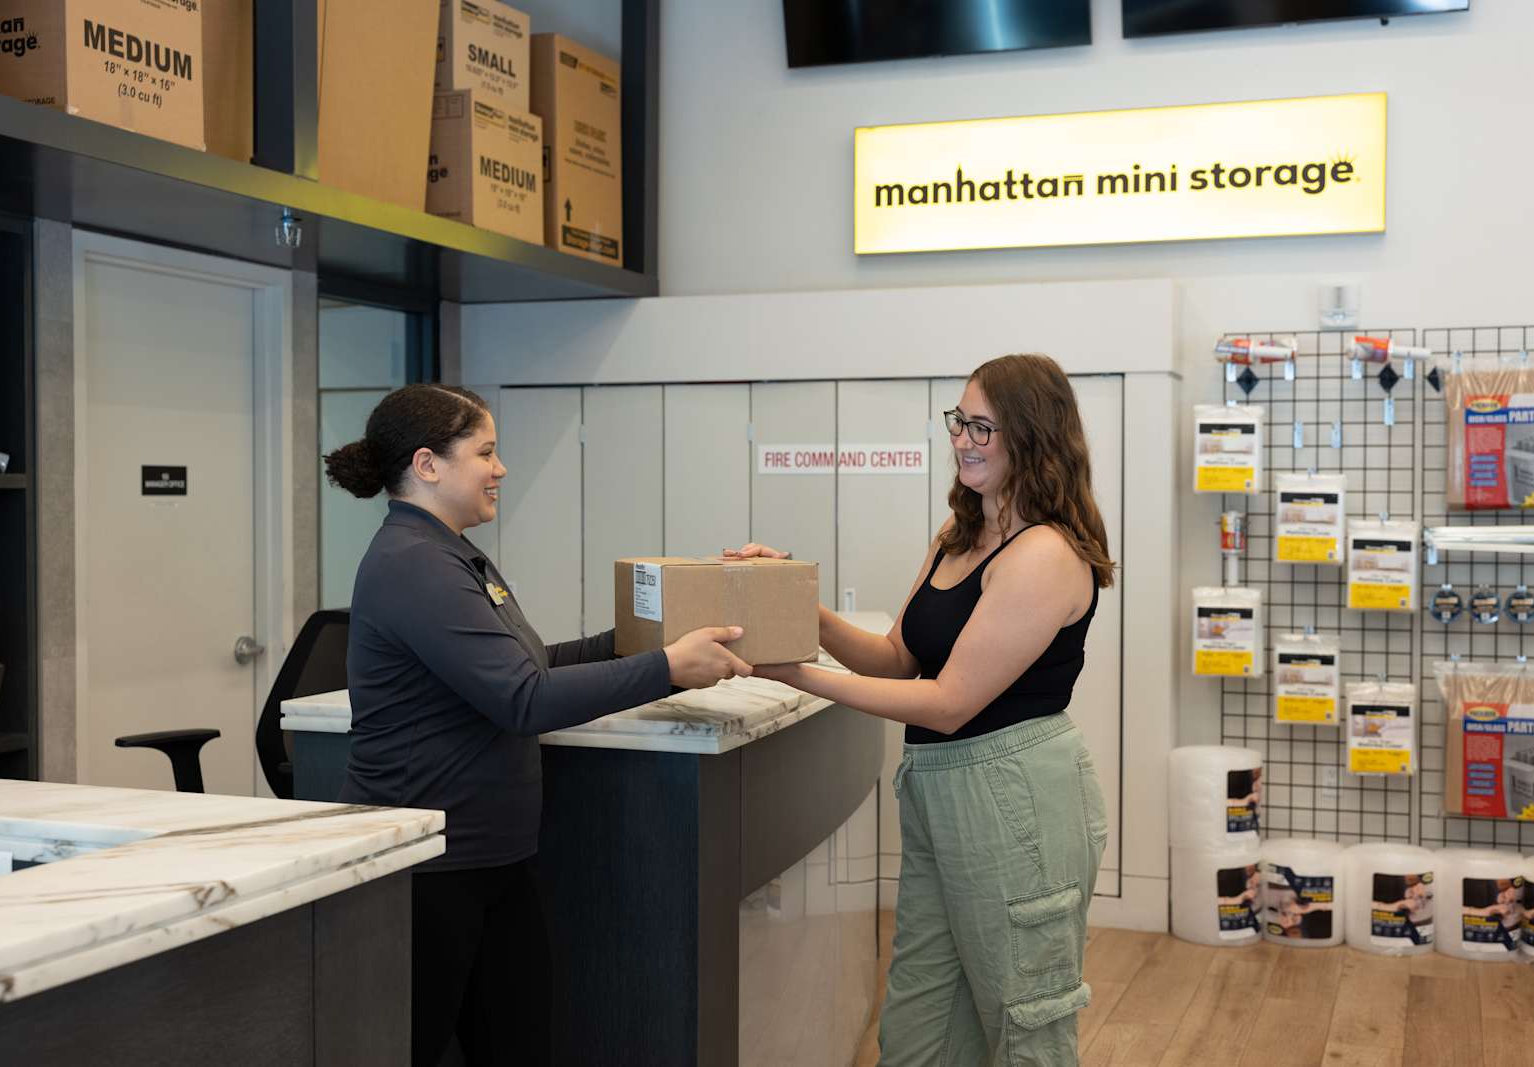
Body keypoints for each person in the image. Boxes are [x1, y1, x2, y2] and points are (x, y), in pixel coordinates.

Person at [323, 384, 751, 1067]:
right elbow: (523, 698)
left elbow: (525, 663)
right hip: (433, 864)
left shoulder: (453, 552)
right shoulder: (413, 563)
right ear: (428, 464)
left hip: (488, 856)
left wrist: (634, 641)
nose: (501, 468)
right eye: (486, 452)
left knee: (518, 1041)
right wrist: (667, 666)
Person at [729, 354, 1113, 1065]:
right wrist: (792, 598)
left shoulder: (1047, 556)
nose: (964, 439)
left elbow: (947, 702)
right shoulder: (958, 537)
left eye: (984, 427)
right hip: (942, 793)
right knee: (919, 1024)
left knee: (1025, 1023)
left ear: (1033, 436)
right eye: (960, 421)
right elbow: (897, 658)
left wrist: (798, 674)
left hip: (1017, 797)